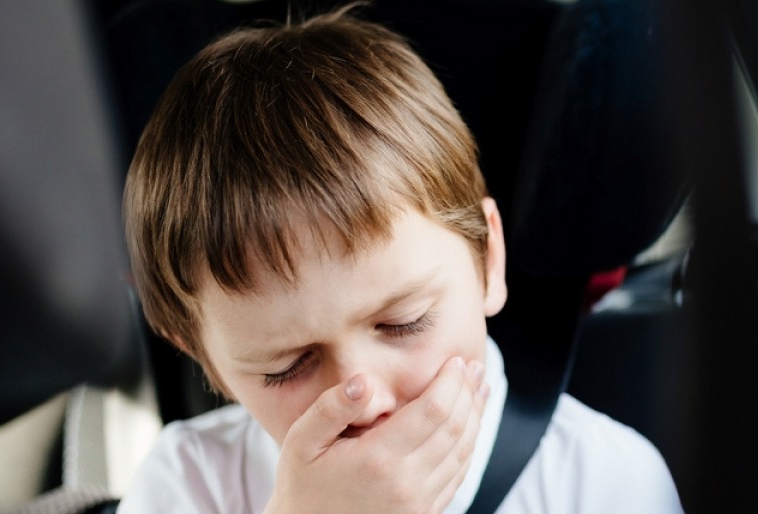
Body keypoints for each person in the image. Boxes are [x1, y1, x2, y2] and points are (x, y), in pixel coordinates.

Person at [118, 6, 683, 514]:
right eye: (285, 366)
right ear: (200, 355)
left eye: (403, 322)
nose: (363, 396)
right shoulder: (186, 486)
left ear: (487, 259)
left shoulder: (608, 483)